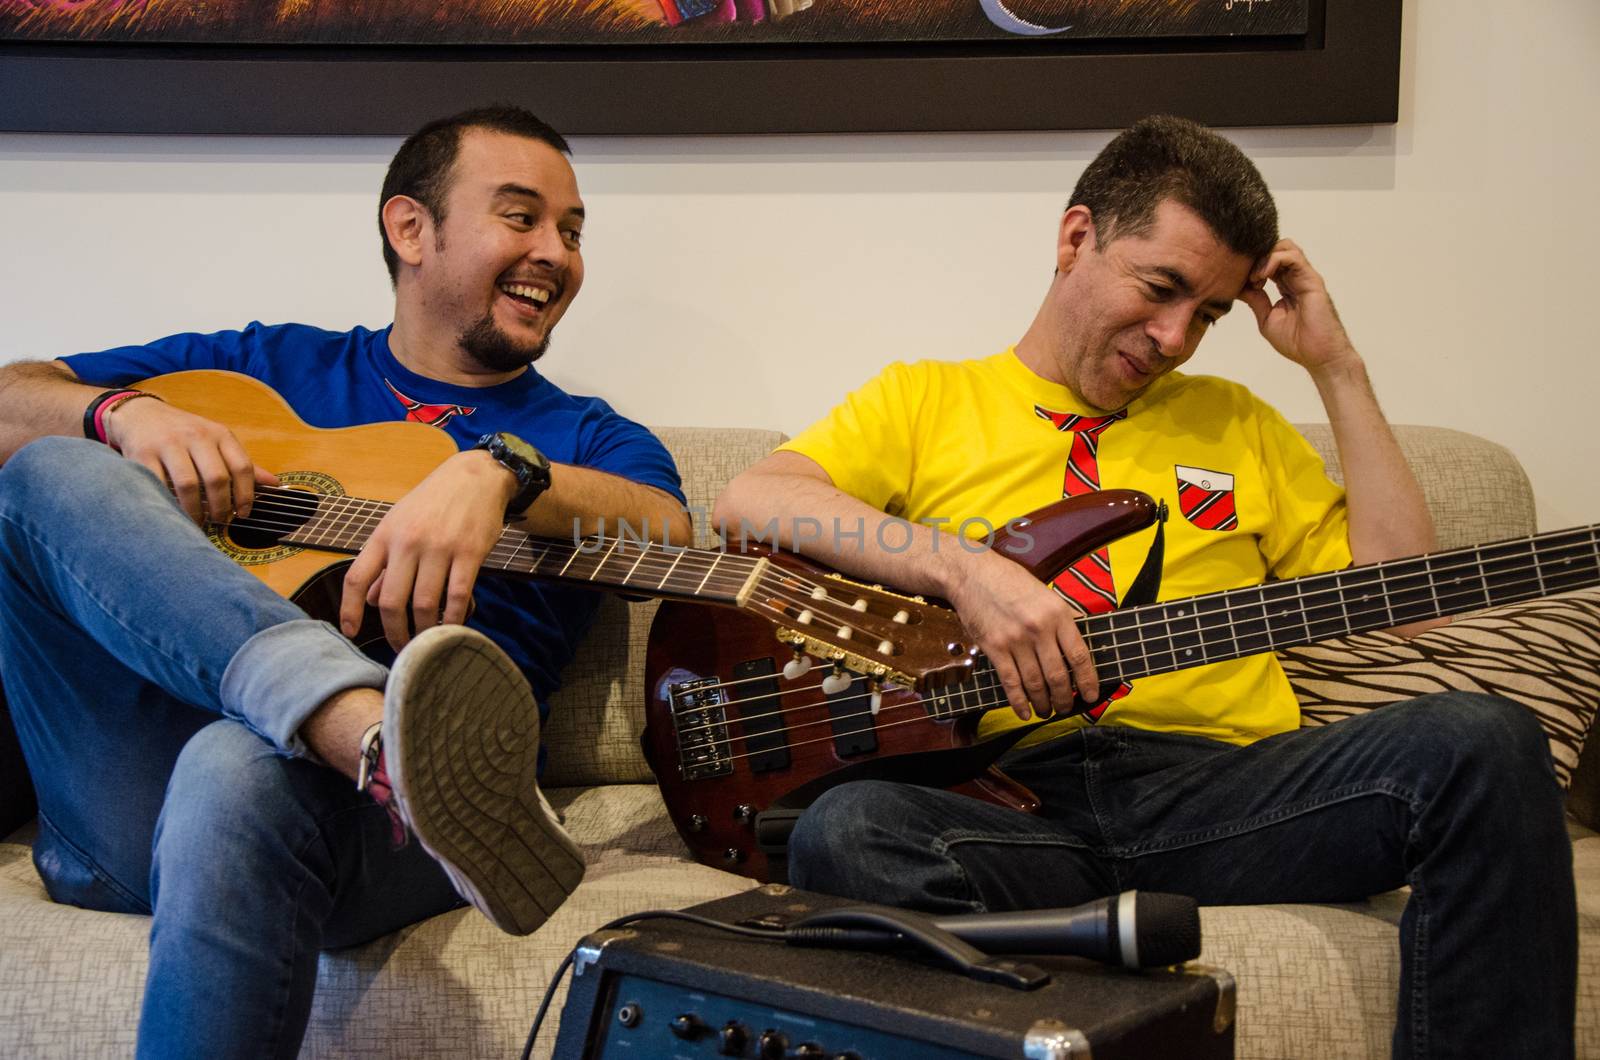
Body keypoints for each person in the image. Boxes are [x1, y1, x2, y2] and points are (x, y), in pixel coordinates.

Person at [712, 115, 1575, 1057]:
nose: (1175, 338)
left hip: (1226, 798)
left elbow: (1412, 604)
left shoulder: (1236, 424)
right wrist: (967, 571)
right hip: (1007, 803)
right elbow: (753, 503)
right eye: (1162, 289)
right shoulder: (925, 399)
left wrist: (1337, 366)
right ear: (1077, 238)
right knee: (846, 831)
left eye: (1207, 313)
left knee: (1483, 741)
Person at [0, 105, 691, 1058]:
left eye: (572, 232)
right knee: (48, 469)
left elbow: (666, 528)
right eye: (522, 216)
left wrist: (501, 472)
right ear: (411, 229)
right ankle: (364, 726)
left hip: (399, 830)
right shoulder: (264, 366)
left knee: (237, 766)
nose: (557, 254)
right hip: (127, 793)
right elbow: (9, 402)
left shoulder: (584, 435)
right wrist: (120, 415)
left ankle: (374, 750)